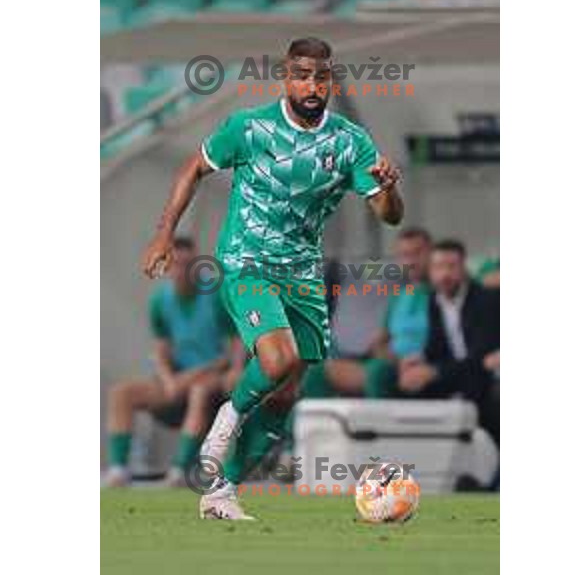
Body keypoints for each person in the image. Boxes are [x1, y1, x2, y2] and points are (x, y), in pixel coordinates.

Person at [142, 37, 404, 519]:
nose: (312, 85)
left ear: (329, 80)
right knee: (277, 358)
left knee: (286, 393)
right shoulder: (250, 126)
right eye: (302, 75)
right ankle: (227, 420)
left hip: (303, 274)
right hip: (247, 261)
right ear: (287, 77)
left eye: (321, 77)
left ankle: (222, 493)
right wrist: (163, 234)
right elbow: (194, 167)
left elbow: (388, 216)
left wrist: (388, 189)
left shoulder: (350, 141)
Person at [106, 237, 243, 487]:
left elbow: (234, 345)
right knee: (121, 394)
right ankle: (118, 470)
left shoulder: (215, 297)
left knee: (199, 391)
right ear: (166, 267)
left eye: (188, 264)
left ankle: (179, 471)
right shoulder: (160, 301)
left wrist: (234, 370)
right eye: (176, 264)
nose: (181, 270)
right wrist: (169, 380)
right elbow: (161, 348)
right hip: (177, 382)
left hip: (212, 380)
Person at [399, 240, 500, 452]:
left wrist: (434, 371)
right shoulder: (434, 301)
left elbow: (481, 357)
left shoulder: (485, 300)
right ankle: (426, 458)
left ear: (463, 268)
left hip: (483, 373)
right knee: (411, 385)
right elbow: (436, 348)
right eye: (438, 267)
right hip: (455, 372)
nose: (445, 274)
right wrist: (419, 360)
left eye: (451, 266)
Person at [325, 227, 432, 396]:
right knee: (315, 372)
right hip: (392, 362)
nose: (411, 261)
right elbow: (380, 340)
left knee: (377, 373)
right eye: (405, 255)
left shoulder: (442, 290)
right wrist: (388, 357)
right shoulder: (399, 295)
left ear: (431, 253)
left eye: (417, 253)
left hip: (426, 362)